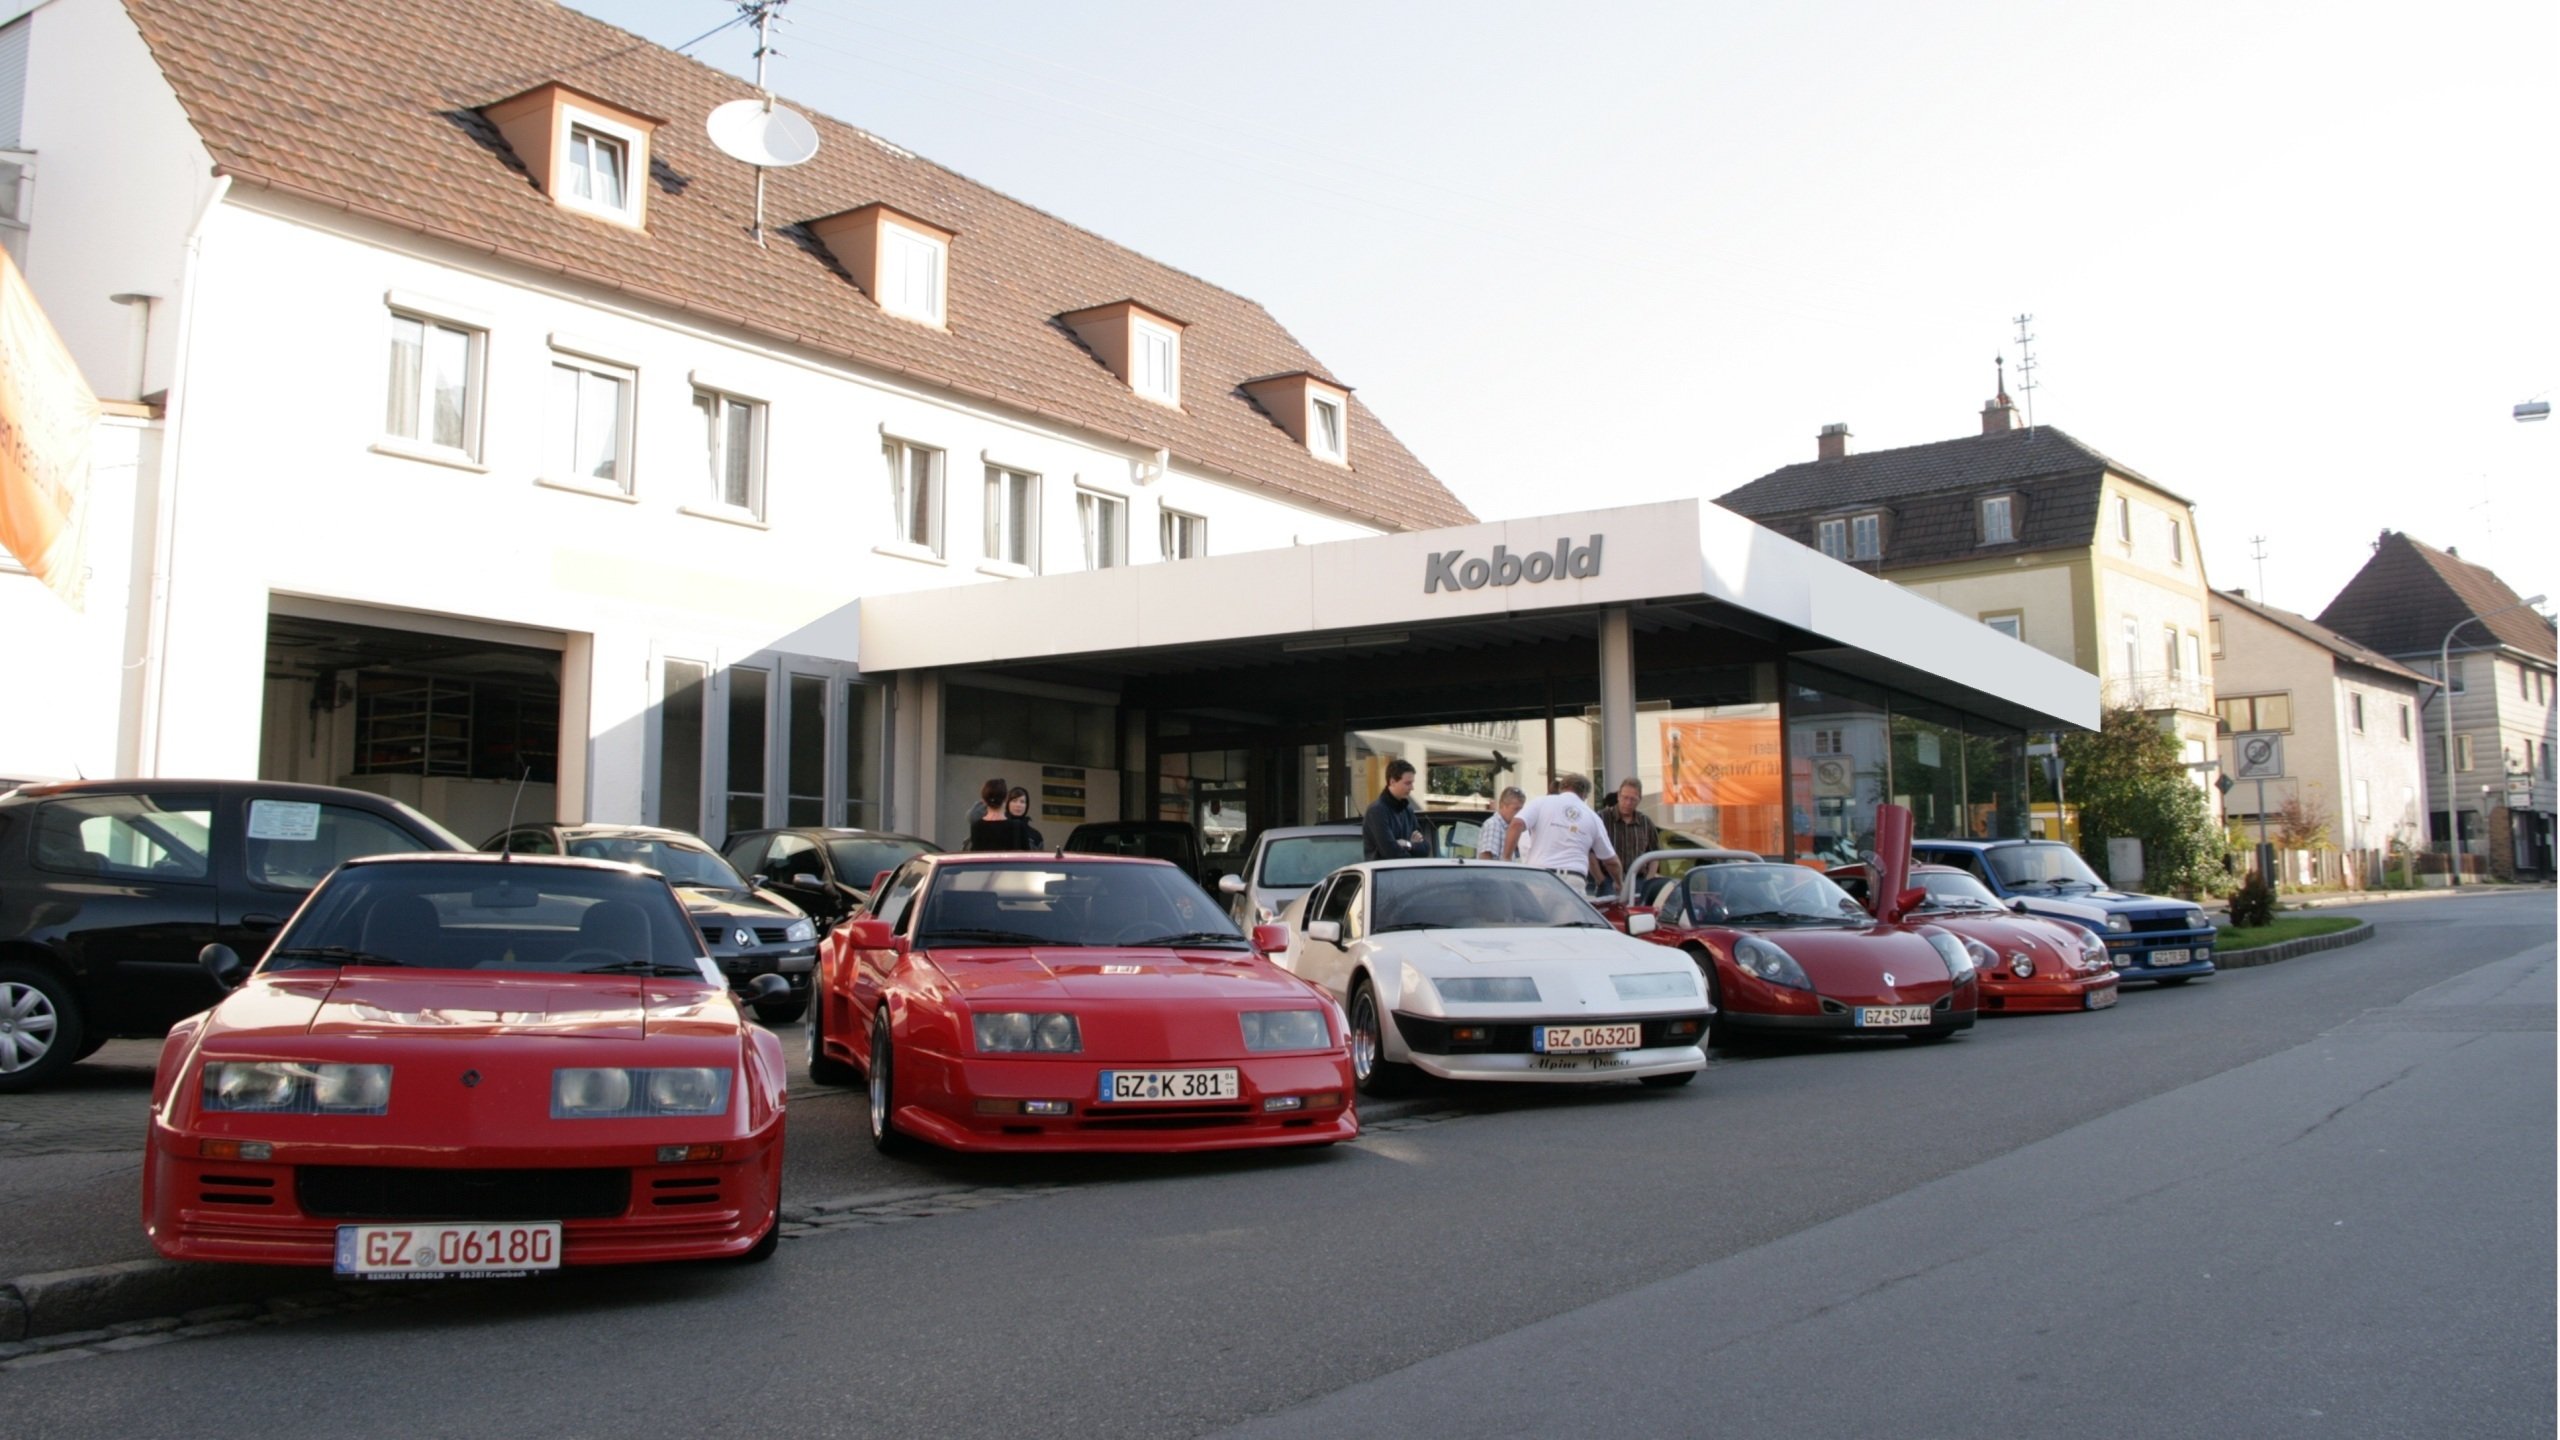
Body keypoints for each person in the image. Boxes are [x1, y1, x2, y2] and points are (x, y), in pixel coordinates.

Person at [1506, 772, 1620, 895]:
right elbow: (1610, 861)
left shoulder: (1540, 802)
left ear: (1562, 788)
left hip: (1540, 877)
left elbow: (1516, 824)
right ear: (1585, 794)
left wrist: (1506, 858)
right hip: (1572, 880)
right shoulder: (1593, 817)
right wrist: (1619, 883)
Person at [1362, 759, 1427, 862]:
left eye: (1412, 783)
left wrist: (1407, 844)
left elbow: (1425, 849)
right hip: (1383, 876)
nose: (1412, 788)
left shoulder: (1407, 810)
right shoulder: (1377, 811)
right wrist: (1413, 848)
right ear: (1392, 782)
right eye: (1407, 783)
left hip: (1407, 875)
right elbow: (1391, 853)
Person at [1600, 778, 1659, 871]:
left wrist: (1648, 880)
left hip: (1639, 879)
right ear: (1618, 796)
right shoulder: (1601, 819)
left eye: (1633, 799)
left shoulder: (1645, 823)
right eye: (1625, 797)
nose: (1628, 803)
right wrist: (1601, 881)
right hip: (1608, 878)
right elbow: (1590, 852)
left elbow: (1655, 855)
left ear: (1639, 799)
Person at [968, 786, 1041, 851]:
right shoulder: (998, 825)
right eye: (1014, 801)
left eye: (1022, 802)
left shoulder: (1035, 835)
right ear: (1006, 803)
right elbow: (973, 816)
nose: (1018, 805)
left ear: (1027, 805)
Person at [1475, 786, 1526, 858]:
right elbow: (1486, 859)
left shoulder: (1506, 827)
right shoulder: (1493, 825)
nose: (1519, 813)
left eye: (1521, 809)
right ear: (1503, 805)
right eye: (1516, 809)